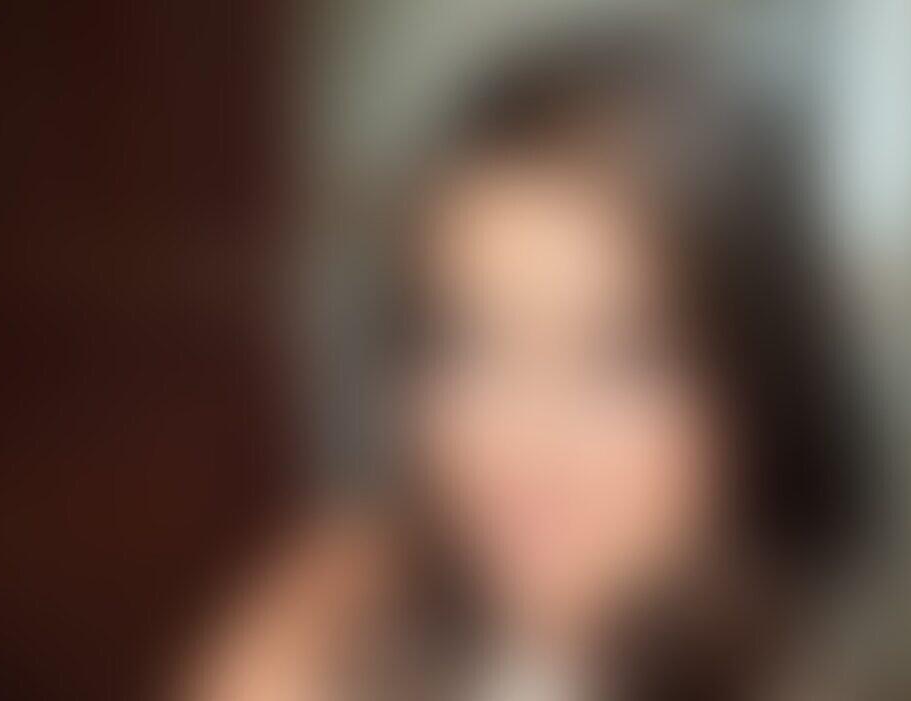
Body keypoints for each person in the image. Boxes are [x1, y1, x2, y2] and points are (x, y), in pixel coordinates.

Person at [176, 31, 867, 701]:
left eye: (616, 358)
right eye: (469, 344)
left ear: (753, 389)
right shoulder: (343, 600)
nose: (517, 434)